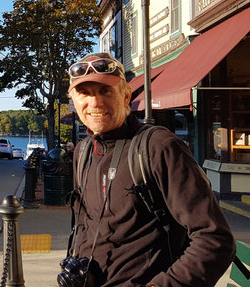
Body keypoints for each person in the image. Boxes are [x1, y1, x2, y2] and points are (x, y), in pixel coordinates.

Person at [66, 52, 235, 286]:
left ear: (126, 96)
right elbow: (86, 225)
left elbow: (214, 239)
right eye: (85, 93)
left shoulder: (158, 147)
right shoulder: (83, 152)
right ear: (73, 101)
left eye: (105, 91)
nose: (95, 103)